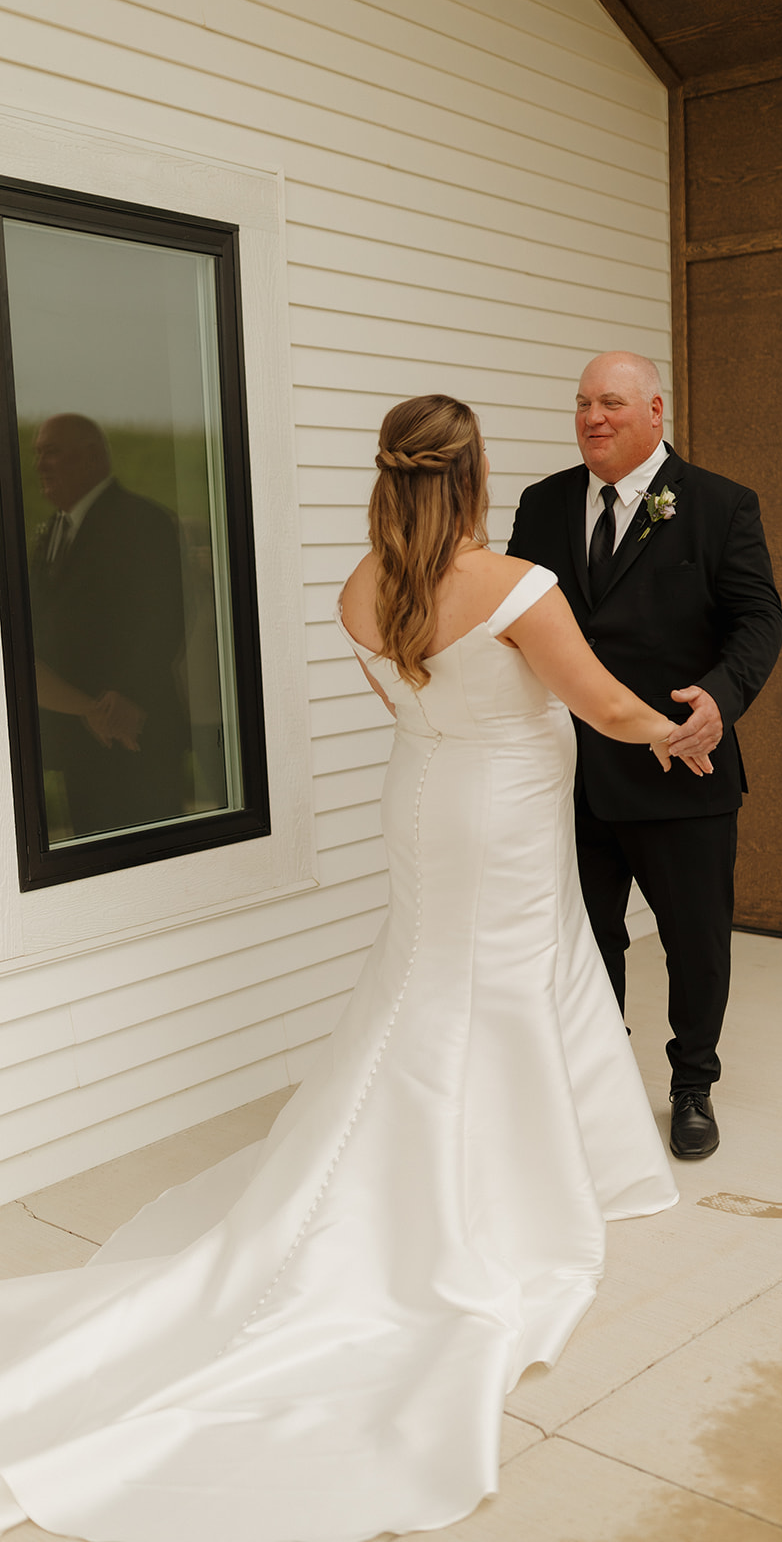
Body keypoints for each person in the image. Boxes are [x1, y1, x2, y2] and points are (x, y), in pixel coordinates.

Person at [0, 394, 679, 1542]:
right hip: (502, 815)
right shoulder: (517, 585)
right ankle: (494, 1193)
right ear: (468, 478)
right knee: (497, 989)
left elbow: (408, 707)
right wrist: (670, 731)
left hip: (420, 803)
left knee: (435, 977)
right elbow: (600, 702)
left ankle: (553, 1160)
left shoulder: (364, 589)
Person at [508, 352, 782, 1160]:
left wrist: (720, 701)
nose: (593, 417)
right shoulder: (544, 502)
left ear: (656, 413)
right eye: (583, 404)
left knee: (695, 942)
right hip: (571, 774)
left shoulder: (720, 506)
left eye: (613, 403)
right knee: (587, 940)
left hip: (680, 764)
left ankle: (692, 1083)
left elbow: (759, 620)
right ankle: (598, 1086)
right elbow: (520, 615)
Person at [28, 413, 189, 839]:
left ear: (93, 457)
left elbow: (164, 617)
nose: (40, 465)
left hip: (135, 731)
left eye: (52, 452)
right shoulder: (53, 532)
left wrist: (125, 697)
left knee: (153, 856)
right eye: (38, 454)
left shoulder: (143, 522)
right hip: (80, 737)